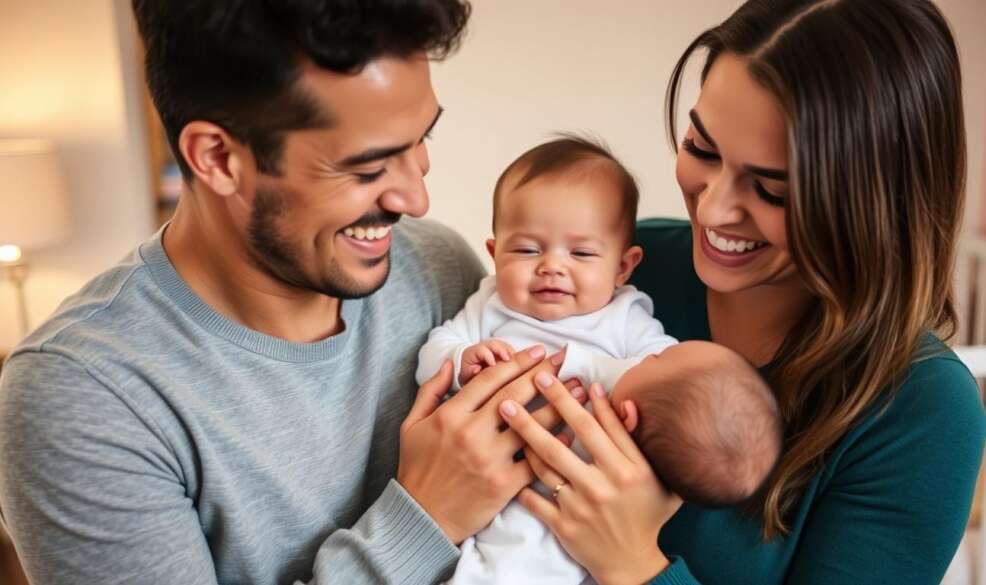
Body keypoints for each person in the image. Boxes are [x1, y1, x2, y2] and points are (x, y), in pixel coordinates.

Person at [0, 2, 578, 584]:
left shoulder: (438, 268)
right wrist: (425, 520)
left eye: (421, 139)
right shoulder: (82, 395)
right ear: (219, 158)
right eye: (368, 166)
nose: (414, 198)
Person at [495, 1, 986, 583]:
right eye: (702, 150)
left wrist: (635, 565)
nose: (712, 208)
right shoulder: (626, 271)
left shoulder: (923, 412)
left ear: (873, 203)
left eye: (772, 190)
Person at [415, 137, 782, 584]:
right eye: (527, 250)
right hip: (484, 489)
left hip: (584, 500)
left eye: (582, 253)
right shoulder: (490, 303)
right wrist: (461, 358)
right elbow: (433, 354)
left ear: (624, 267)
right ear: (493, 253)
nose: (552, 266)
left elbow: (666, 380)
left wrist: (588, 369)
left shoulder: (626, 318)